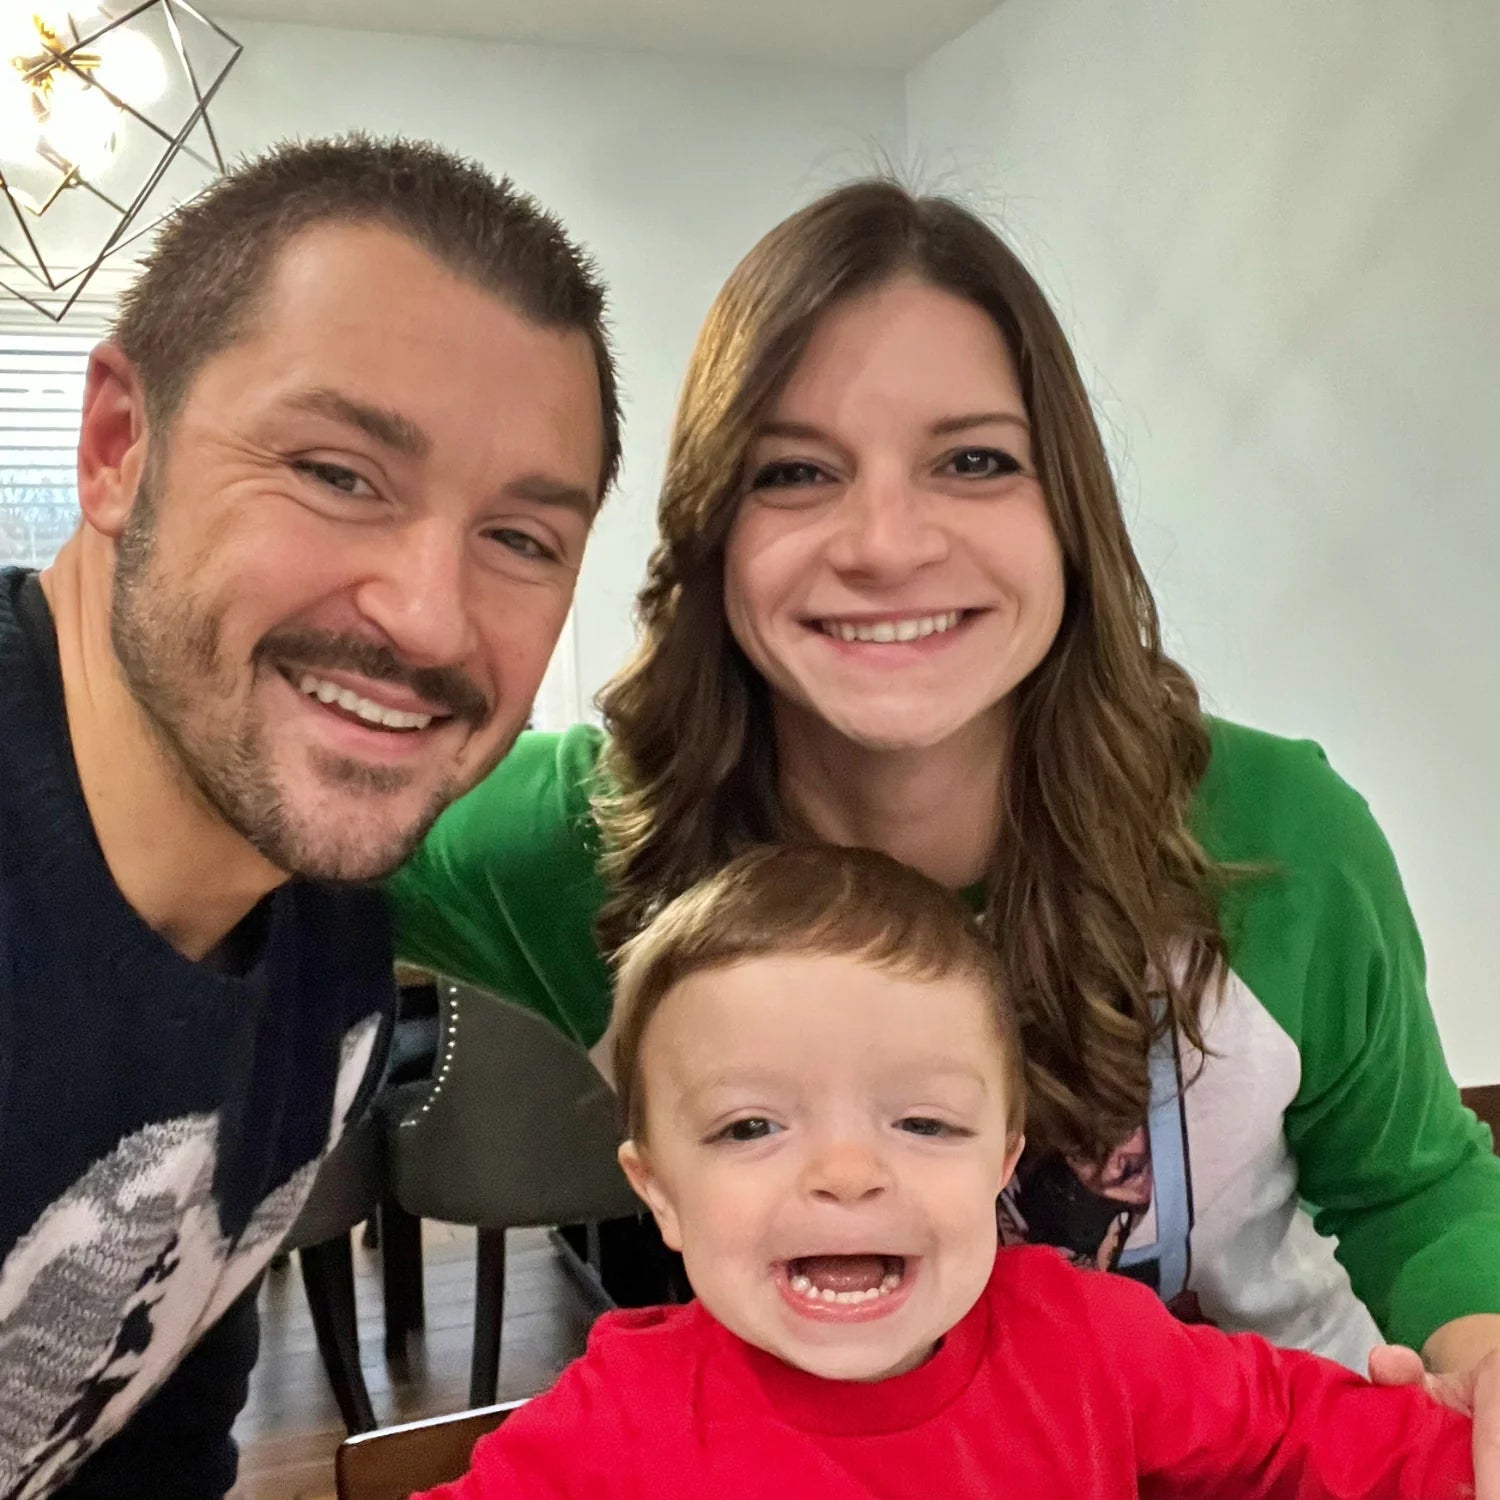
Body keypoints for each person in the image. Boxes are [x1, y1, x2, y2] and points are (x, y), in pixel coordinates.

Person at [387, 176, 1500, 1479]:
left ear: (1066, 512)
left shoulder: (1274, 830)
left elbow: (1414, 1187)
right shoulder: (573, 832)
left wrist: (1482, 1344)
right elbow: (240, 833)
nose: (886, 542)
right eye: (795, 472)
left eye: (973, 460)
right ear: (709, 532)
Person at [0, 135, 619, 1498]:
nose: (431, 616)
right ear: (117, 447)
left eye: (522, 539)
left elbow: (144, 1446)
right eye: (340, 474)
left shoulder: (325, 925)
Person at [417, 844, 1475, 1499]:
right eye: (750, 1129)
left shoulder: (1088, 1341)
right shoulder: (618, 1427)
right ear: (660, 1196)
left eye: (922, 1122)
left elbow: (1324, 1442)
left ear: (1002, 1163)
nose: (845, 1172)